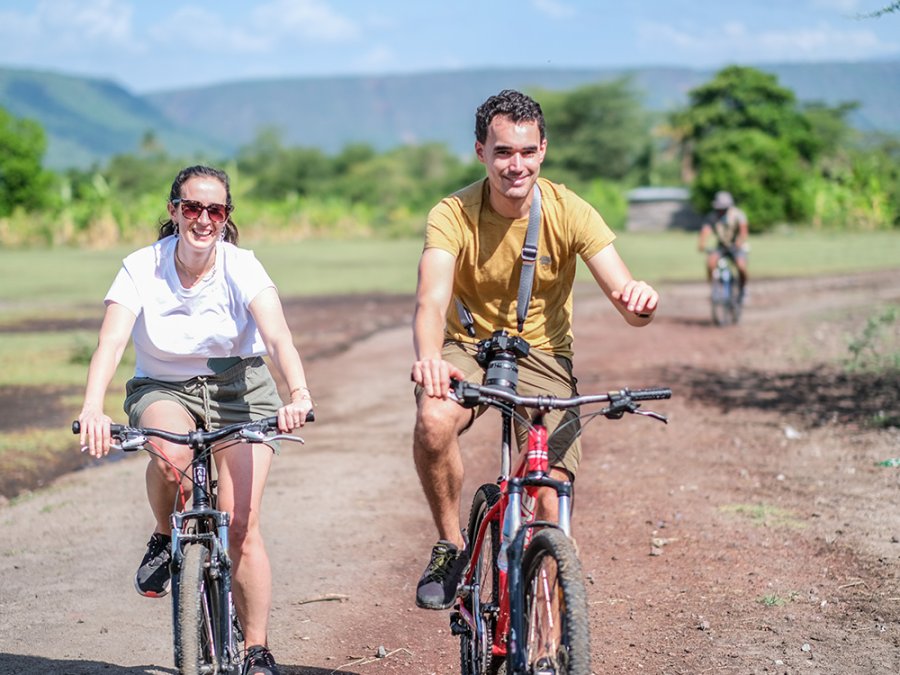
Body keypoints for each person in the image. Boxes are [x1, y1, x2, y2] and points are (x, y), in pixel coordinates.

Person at [410, 89, 659, 610]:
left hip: (543, 357)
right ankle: (451, 544)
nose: (515, 165)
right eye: (502, 152)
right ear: (481, 152)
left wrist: (640, 301)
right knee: (434, 422)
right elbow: (431, 300)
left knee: (547, 488)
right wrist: (430, 358)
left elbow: (626, 298)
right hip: (467, 348)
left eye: (526, 151)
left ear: (543, 149)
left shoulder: (571, 211)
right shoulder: (452, 212)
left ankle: (544, 615)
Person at [77, 165, 312, 675]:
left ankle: (255, 648)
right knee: (171, 456)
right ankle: (165, 534)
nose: (203, 219)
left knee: (241, 523)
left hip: (241, 390)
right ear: (174, 210)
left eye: (216, 210)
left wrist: (299, 392)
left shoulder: (242, 266)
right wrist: (92, 408)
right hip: (164, 387)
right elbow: (111, 343)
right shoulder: (142, 267)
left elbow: (277, 338)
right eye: (192, 207)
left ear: (227, 218)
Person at [697, 190, 749, 298]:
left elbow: (743, 232)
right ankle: (714, 288)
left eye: (723, 208)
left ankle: (743, 288)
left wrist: (739, 242)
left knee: (741, 266)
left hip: (736, 246)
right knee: (711, 263)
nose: (721, 211)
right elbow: (705, 231)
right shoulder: (713, 217)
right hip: (722, 246)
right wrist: (702, 244)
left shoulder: (738, 215)